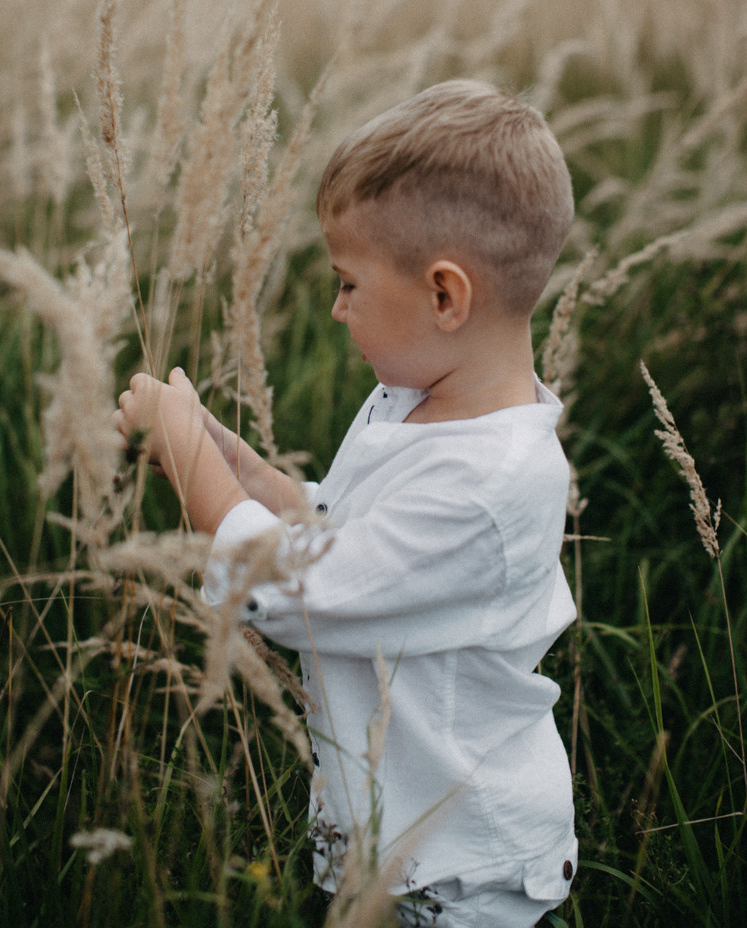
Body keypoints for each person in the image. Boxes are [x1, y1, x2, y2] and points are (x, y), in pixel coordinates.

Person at [114, 79, 578, 927]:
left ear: (445, 296)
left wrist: (190, 465)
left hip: (460, 865)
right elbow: (343, 533)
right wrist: (237, 467)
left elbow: (304, 596)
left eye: (348, 284)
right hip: (392, 831)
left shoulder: (490, 483)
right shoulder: (416, 398)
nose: (335, 309)